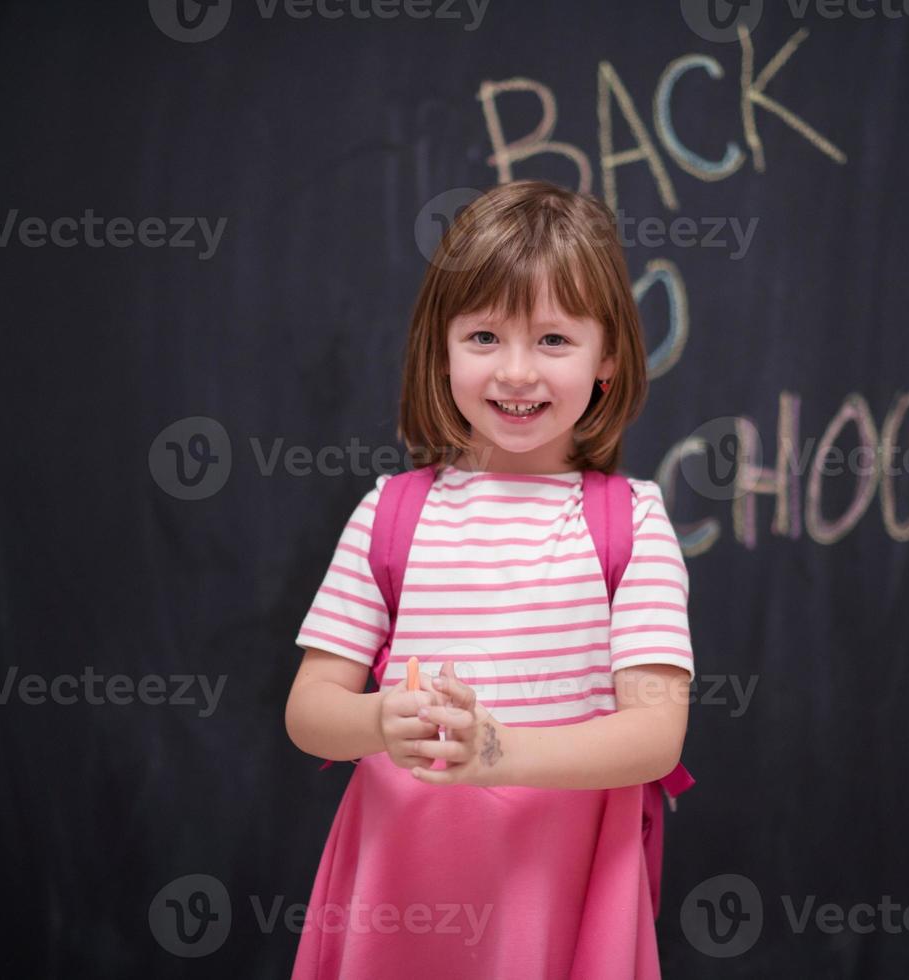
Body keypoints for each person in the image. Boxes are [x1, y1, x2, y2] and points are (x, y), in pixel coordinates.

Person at [284, 179, 695, 979]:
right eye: (482, 337)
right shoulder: (390, 513)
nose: (515, 372)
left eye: (552, 340)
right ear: (440, 346)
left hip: (558, 882)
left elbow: (655, 734)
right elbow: (310, 712)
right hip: (403, 878)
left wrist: (493, 751)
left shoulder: (631, 522)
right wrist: (380, 722)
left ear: (607, 354)